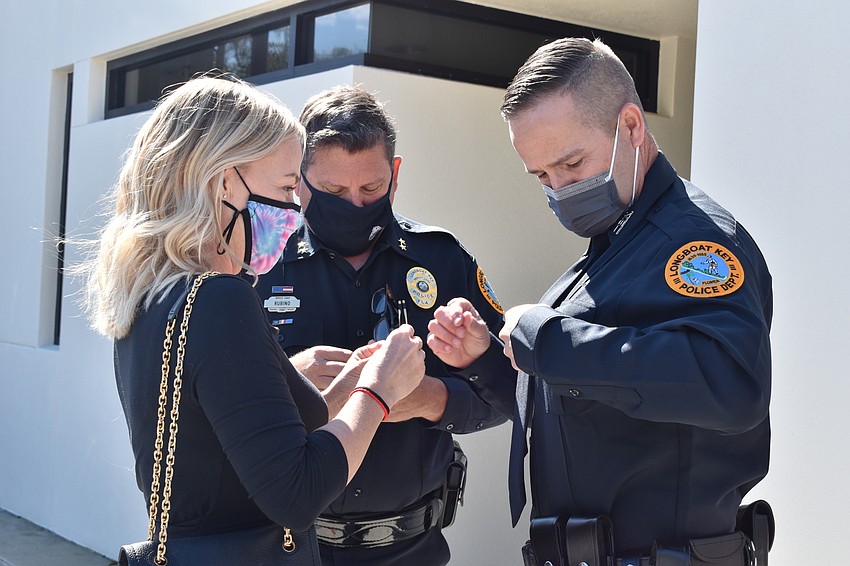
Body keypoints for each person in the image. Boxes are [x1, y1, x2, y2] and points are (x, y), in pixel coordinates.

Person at [427, 38, 773, 564]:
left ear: (631, 127)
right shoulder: (616, 244)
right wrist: (492, 360)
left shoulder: (694, 243)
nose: (560, 189)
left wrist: (546, 337)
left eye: (571, 163)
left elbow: (730, 382)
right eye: (542, 176)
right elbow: (580, 399)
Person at [80, 76, 425, 562]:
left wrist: (342, 387)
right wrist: (379, 393)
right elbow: (296, 494)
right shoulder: (219, 299)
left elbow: (232, 451)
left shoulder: (154, 294)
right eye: (287, 187)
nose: (292, 210)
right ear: (224, 181)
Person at [255, 85, 507, 566]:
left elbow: (509, 393)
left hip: (412, 548)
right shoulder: (260, 265)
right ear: (299, 179)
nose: (354, 203)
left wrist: (432, 399)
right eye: (332, 191)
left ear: (394, 174)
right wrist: (288, 381)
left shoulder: (442, 261)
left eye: (370, 189)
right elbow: (214, 404)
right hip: (289, 548)